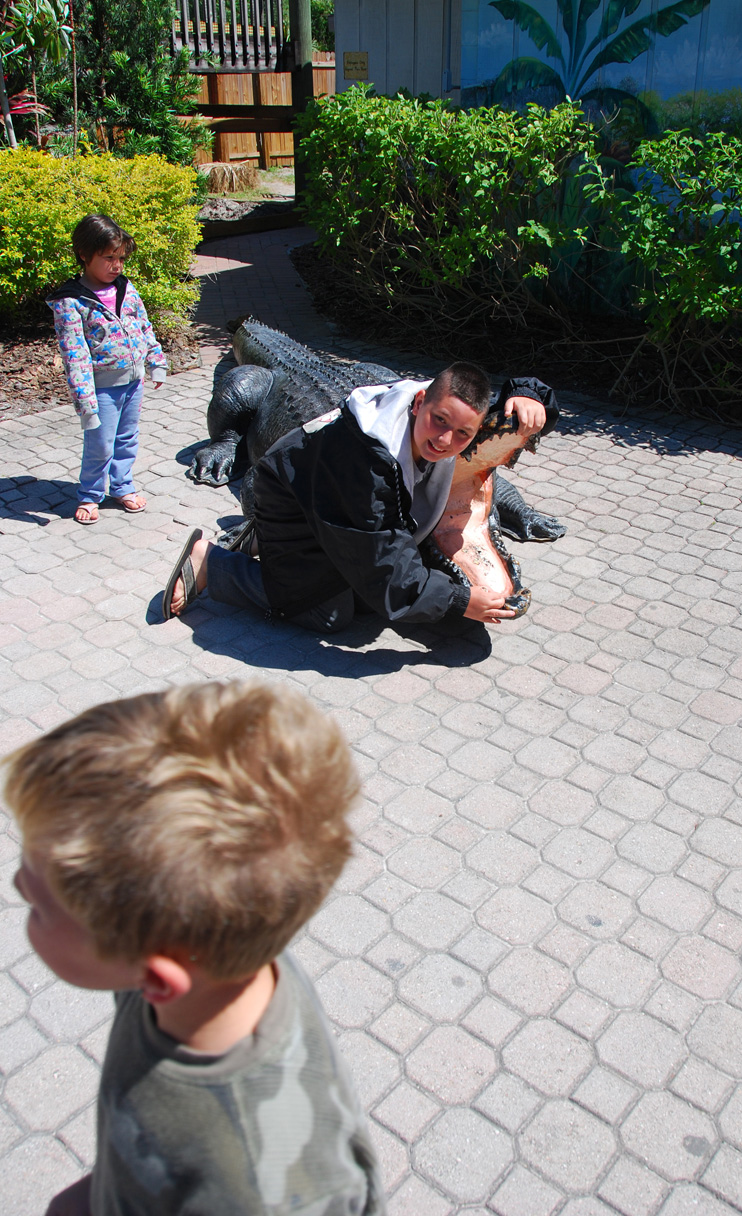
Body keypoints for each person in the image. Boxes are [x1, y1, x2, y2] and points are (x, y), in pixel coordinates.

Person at [4, 681, 385, 1216]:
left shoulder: (260, 1189)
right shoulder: (215, 960)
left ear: (157, 978)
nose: (18, 887)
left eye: (40, 904)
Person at [164, 361, 557, 630]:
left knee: (373, 593)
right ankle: (212, 564)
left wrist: (529, 395)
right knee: (330, 615)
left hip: (340, 503)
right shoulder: (366, 463)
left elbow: (487, 411)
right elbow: (383, 562)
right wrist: (457, 601)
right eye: (439, 422)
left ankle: (272, 543)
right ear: (420, 402)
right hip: (292, 498)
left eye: (462, 434)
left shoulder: (445, 406)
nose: (445, 440)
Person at [47, 214, 166, 526]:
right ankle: (90, 494)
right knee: (100, 443)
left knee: (127, 438)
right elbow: (75, 354)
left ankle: (122, 485)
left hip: (133, 381)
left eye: (121, 258)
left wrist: (155, 360)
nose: (117, 266)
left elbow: (143, 326)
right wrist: (85, 402)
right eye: (109, 258)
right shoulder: (70, 301)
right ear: (85, 256)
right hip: (101, 387)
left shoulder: (125, 288)